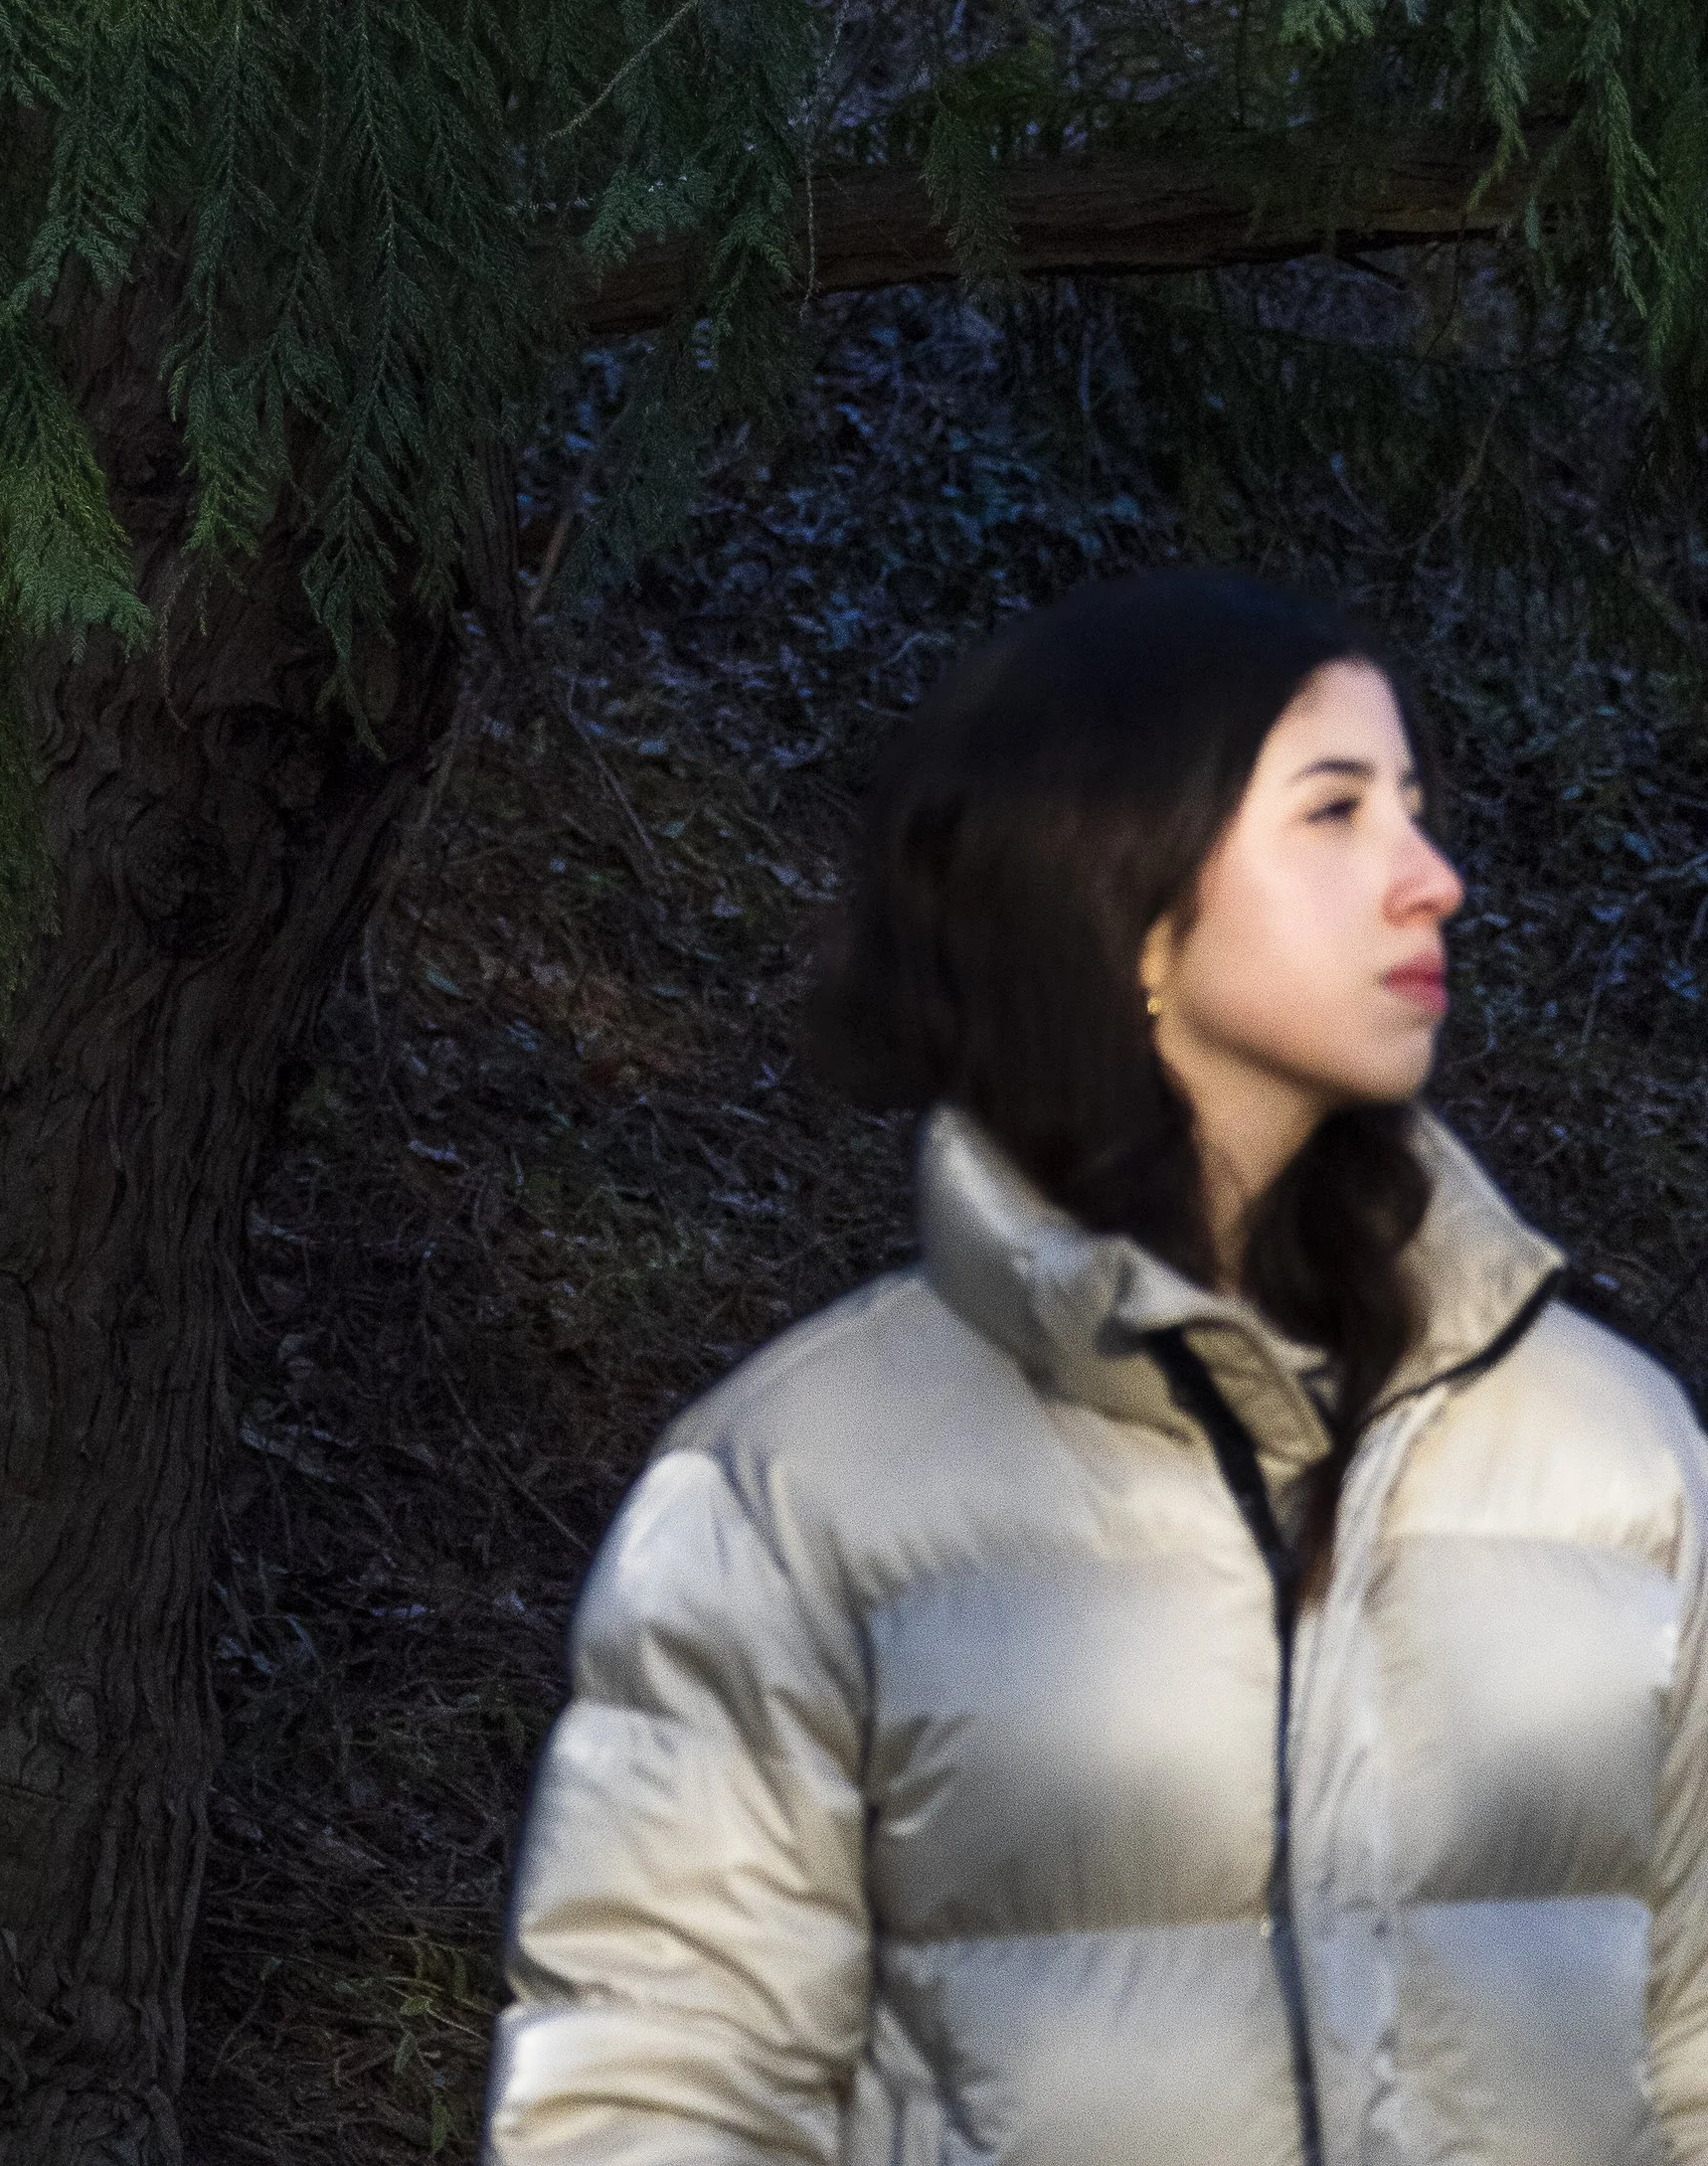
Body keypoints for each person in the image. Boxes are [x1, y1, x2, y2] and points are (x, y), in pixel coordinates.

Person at [482, 569, 1708, 2166]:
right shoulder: (802, 1485)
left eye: (1416, 808)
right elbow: (644, 2110)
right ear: (1118, 887)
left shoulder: (1615, 1449)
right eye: (1336, 813)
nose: (1434, 881)